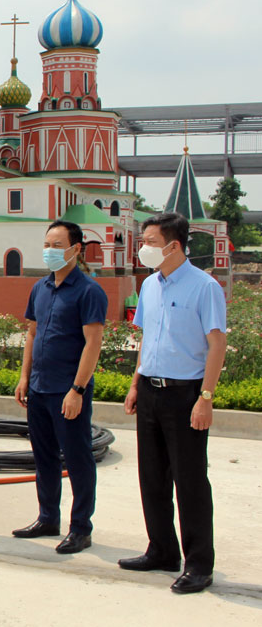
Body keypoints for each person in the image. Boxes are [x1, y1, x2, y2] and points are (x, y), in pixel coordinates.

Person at [118, 213, 226, 594]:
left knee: (190, 480)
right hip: (150, 389)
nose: (142, 247)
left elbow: (217, 345)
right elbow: (148, 339)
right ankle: (162, 550)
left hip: (186, 394)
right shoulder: (149, 285)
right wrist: (135, 384)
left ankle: (199, 565)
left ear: (173, 245)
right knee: (152, 477)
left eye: (148, 241)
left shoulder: (204, 287)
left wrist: (206, 399)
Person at [13, 220, 106, 554]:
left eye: (57, 245)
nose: (50, 251)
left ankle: (81, 527)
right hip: (39, 388)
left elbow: (92, 343)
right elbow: (32, 333)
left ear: (76, 249)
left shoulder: (89, 291)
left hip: (68, 392)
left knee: (78, 459)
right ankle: (47, 517)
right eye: (47, 244)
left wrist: (77, 390)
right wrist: (25, 378)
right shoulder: (40, 288)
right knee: (45, 457)